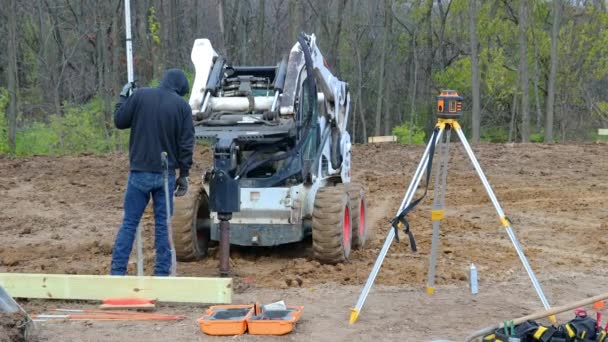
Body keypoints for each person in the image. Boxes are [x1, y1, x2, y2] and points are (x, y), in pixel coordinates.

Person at [110, 68, 194, 276]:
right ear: (180, 88)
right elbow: (186, 144)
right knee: (163, 227)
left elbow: (119, 121)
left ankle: (117, 273)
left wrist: (123, 97)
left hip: (139, 172)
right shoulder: (182, 106)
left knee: (129, 223)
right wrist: (184, 174)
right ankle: (161, 275)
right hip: (165, 175)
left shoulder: (140, 96)